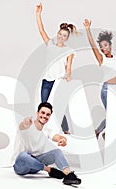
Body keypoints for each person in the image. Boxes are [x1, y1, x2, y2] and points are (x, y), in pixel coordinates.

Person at [12, 102, 81, 185]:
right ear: (37, 113)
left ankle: (68, 175)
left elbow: (57, 137)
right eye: (43, 113)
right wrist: (25, 123)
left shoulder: (46, 130)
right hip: (22, 165)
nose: (45, 116)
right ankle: (49, 170)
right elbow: (22, 126)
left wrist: (63, 139)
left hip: (36, 166)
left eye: (48, 115)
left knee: (57, 152)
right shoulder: (29, 125)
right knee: (23, 155)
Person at [36, 3, 76, 134]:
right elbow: (41, 30)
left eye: (64, 36)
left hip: (58, 81)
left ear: (67, 38)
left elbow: (68, 67)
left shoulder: (69, 51)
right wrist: (38, 14)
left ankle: (65, 129)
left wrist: (68, 80)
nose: (61, 37)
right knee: (44, 106)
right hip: (47, 80)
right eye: (60, 34)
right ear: (57, 34)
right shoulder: (50, 45)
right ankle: (42, 131)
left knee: (57, 107)